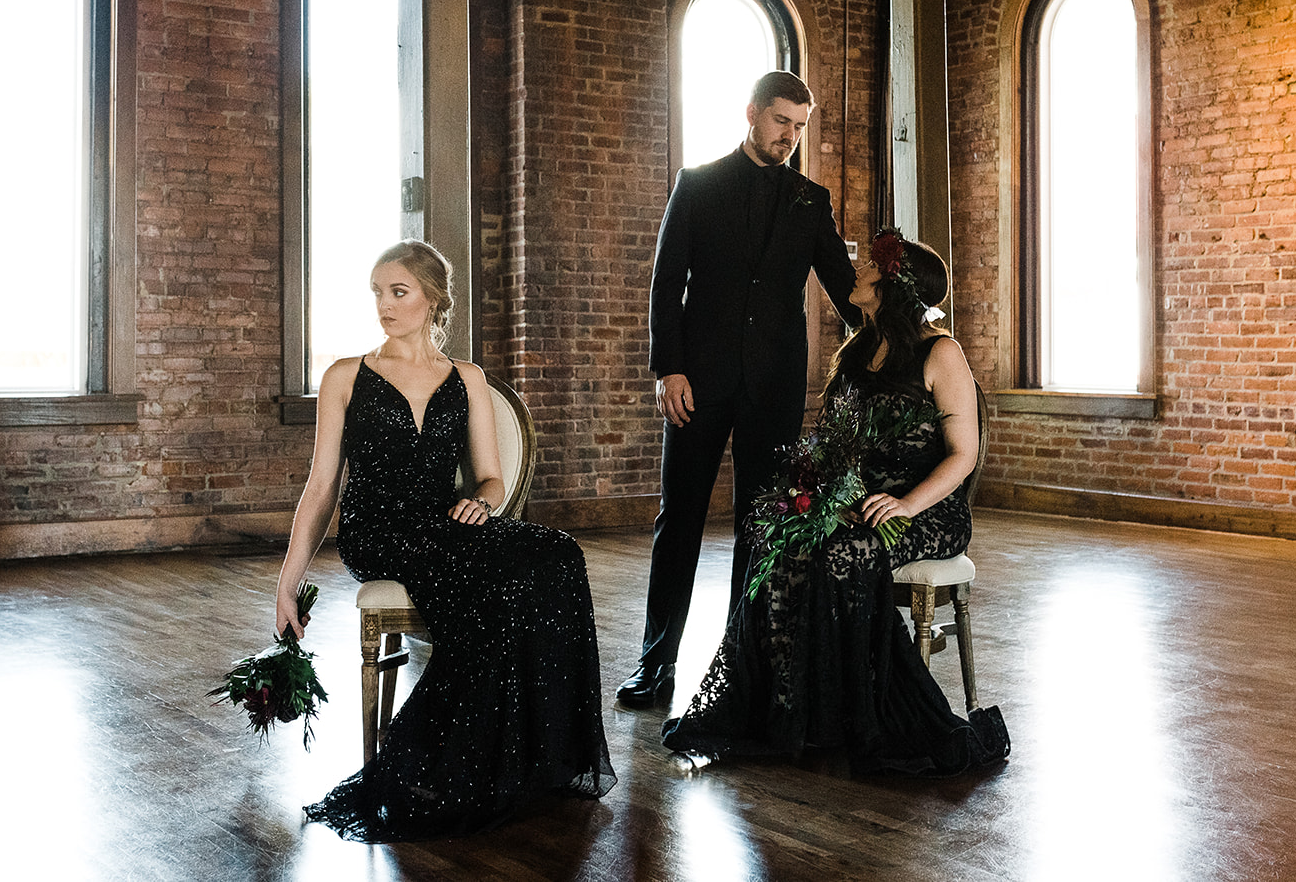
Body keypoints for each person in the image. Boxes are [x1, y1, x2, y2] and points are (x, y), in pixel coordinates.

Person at [273, 240, 614, 842]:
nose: (384, 304)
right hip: (378, 530)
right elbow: (322, 484)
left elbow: (490, 475)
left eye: (398, 291)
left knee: (559, 554)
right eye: (377, 292)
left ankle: (538, 758)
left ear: (433, 299)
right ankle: (441, 768)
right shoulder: (346, 376)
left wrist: (481, 501)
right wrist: (287, 581)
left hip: (445, 523)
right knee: (488, 597)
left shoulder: (467, 379)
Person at [660, 229, 1009, 775]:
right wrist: (818, 498)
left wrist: (907, 504)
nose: (859, 270)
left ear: (891, 285)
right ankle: (787, 708)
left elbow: (962, 455)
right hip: (853, 499)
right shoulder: (856, 351)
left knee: (844, 555)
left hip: (926, 506)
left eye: (869, 266)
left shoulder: (941, 352)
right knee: (772, 539)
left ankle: (850, 716)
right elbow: (830, 441)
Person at [618, 70, 862, 707]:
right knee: (681, 520)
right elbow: (666, 283)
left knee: (761, 526)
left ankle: (740, 665)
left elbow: (845, 288)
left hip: (774, 386)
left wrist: (906, 317)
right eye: (782, 121)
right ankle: (655, 665)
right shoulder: (697, 186)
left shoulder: (811, 200)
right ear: (752, 113)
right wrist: (668, 368)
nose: (790, 136)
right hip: (697, 381)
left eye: (800, 127)